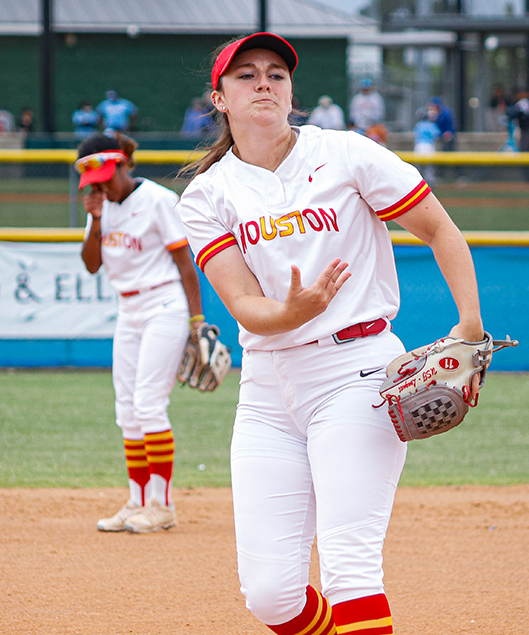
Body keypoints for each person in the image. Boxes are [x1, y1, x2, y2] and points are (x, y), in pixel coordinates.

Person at [176, 32, 485, 635]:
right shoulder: (208, 194)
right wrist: (295, 310)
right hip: (267, 389)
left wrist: (470, 328)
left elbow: (441, 230)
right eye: (246, 76)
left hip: (357, 372)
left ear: (291, 91)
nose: (263, 82)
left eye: (275, 73)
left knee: (350, 571)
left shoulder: (347, 154)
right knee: (270, 597)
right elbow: (242, 303)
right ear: (219, 99)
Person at [76, 132, 204, 534]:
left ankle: (162, 506)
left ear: (125, 166)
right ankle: (137, 500)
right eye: (94, 182)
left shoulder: (158, 200)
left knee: (148, 404)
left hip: (164, 305)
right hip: (128, 308)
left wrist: (196, 322)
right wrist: (96, 218)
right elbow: (91, 265)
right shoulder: (101, 207)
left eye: (108, 177)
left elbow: (185, 262)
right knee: (127, 410)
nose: (102, 187)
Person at [413, 103, 442, 182]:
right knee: (429, 167)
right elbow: (437, 136)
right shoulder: (432, 125)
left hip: (418, 146)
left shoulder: (418, 125)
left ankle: (416, 182)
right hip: (428, 146)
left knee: (418, 166)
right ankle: (430, 181)